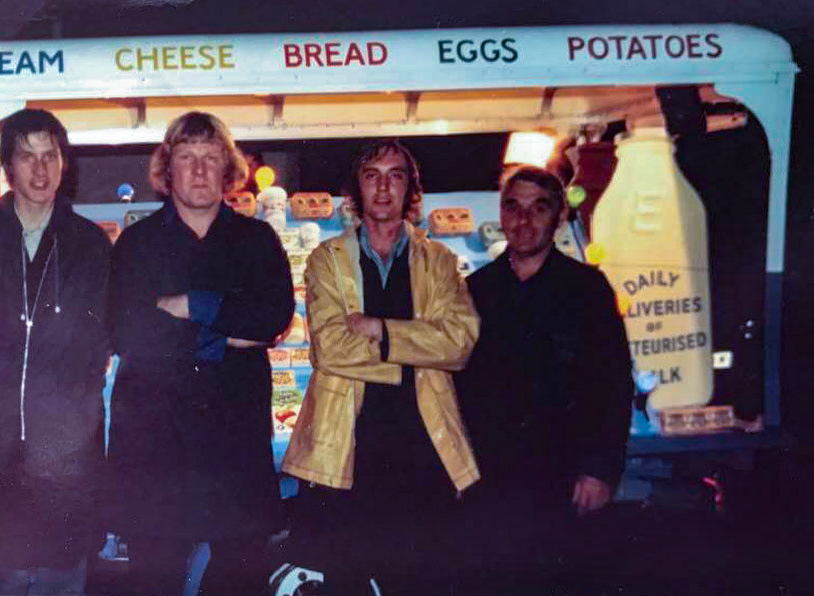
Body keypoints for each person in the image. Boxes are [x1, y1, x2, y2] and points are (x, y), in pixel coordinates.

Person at [106, 111, 294, 596]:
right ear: (166, 169)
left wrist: (188, 306)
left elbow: (271, 317)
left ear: (229, 171)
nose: (199, 170)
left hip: (234, 458)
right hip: (156, 456)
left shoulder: (257, 240)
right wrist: (224, 334)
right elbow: (128, 332)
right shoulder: (136, 244)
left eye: (211, 159)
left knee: (240, 583)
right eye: (186, 158)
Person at [282, 140, 480, 594]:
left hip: (423, 449)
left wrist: (379, 330)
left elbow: (459, 344)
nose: (384, 187)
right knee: (345, 581)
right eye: (372, 175)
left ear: (411, 188)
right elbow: (330, 349)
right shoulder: (327, 259)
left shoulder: (441, 262)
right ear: (357, 189)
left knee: (419, 579)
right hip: (346, 448)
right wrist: (413, 353)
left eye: (396, 175)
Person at [0, 108, 111, 594]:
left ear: (64, 164)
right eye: (27, 157)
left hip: (65, 453)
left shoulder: (89, 245)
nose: (40, 170)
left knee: (63, 577)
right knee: (2, 578)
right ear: (7, 168)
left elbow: (99, 338)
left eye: (50, 157)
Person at [456, 164, 633, 592]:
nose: (523, 220)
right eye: (513, 207)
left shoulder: (587, 289)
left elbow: (611, 385)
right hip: (492, 476)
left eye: (539, 208)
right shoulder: (475, 290)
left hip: (562, 476)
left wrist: (600, 471)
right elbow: (457, 387)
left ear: (559, 217)